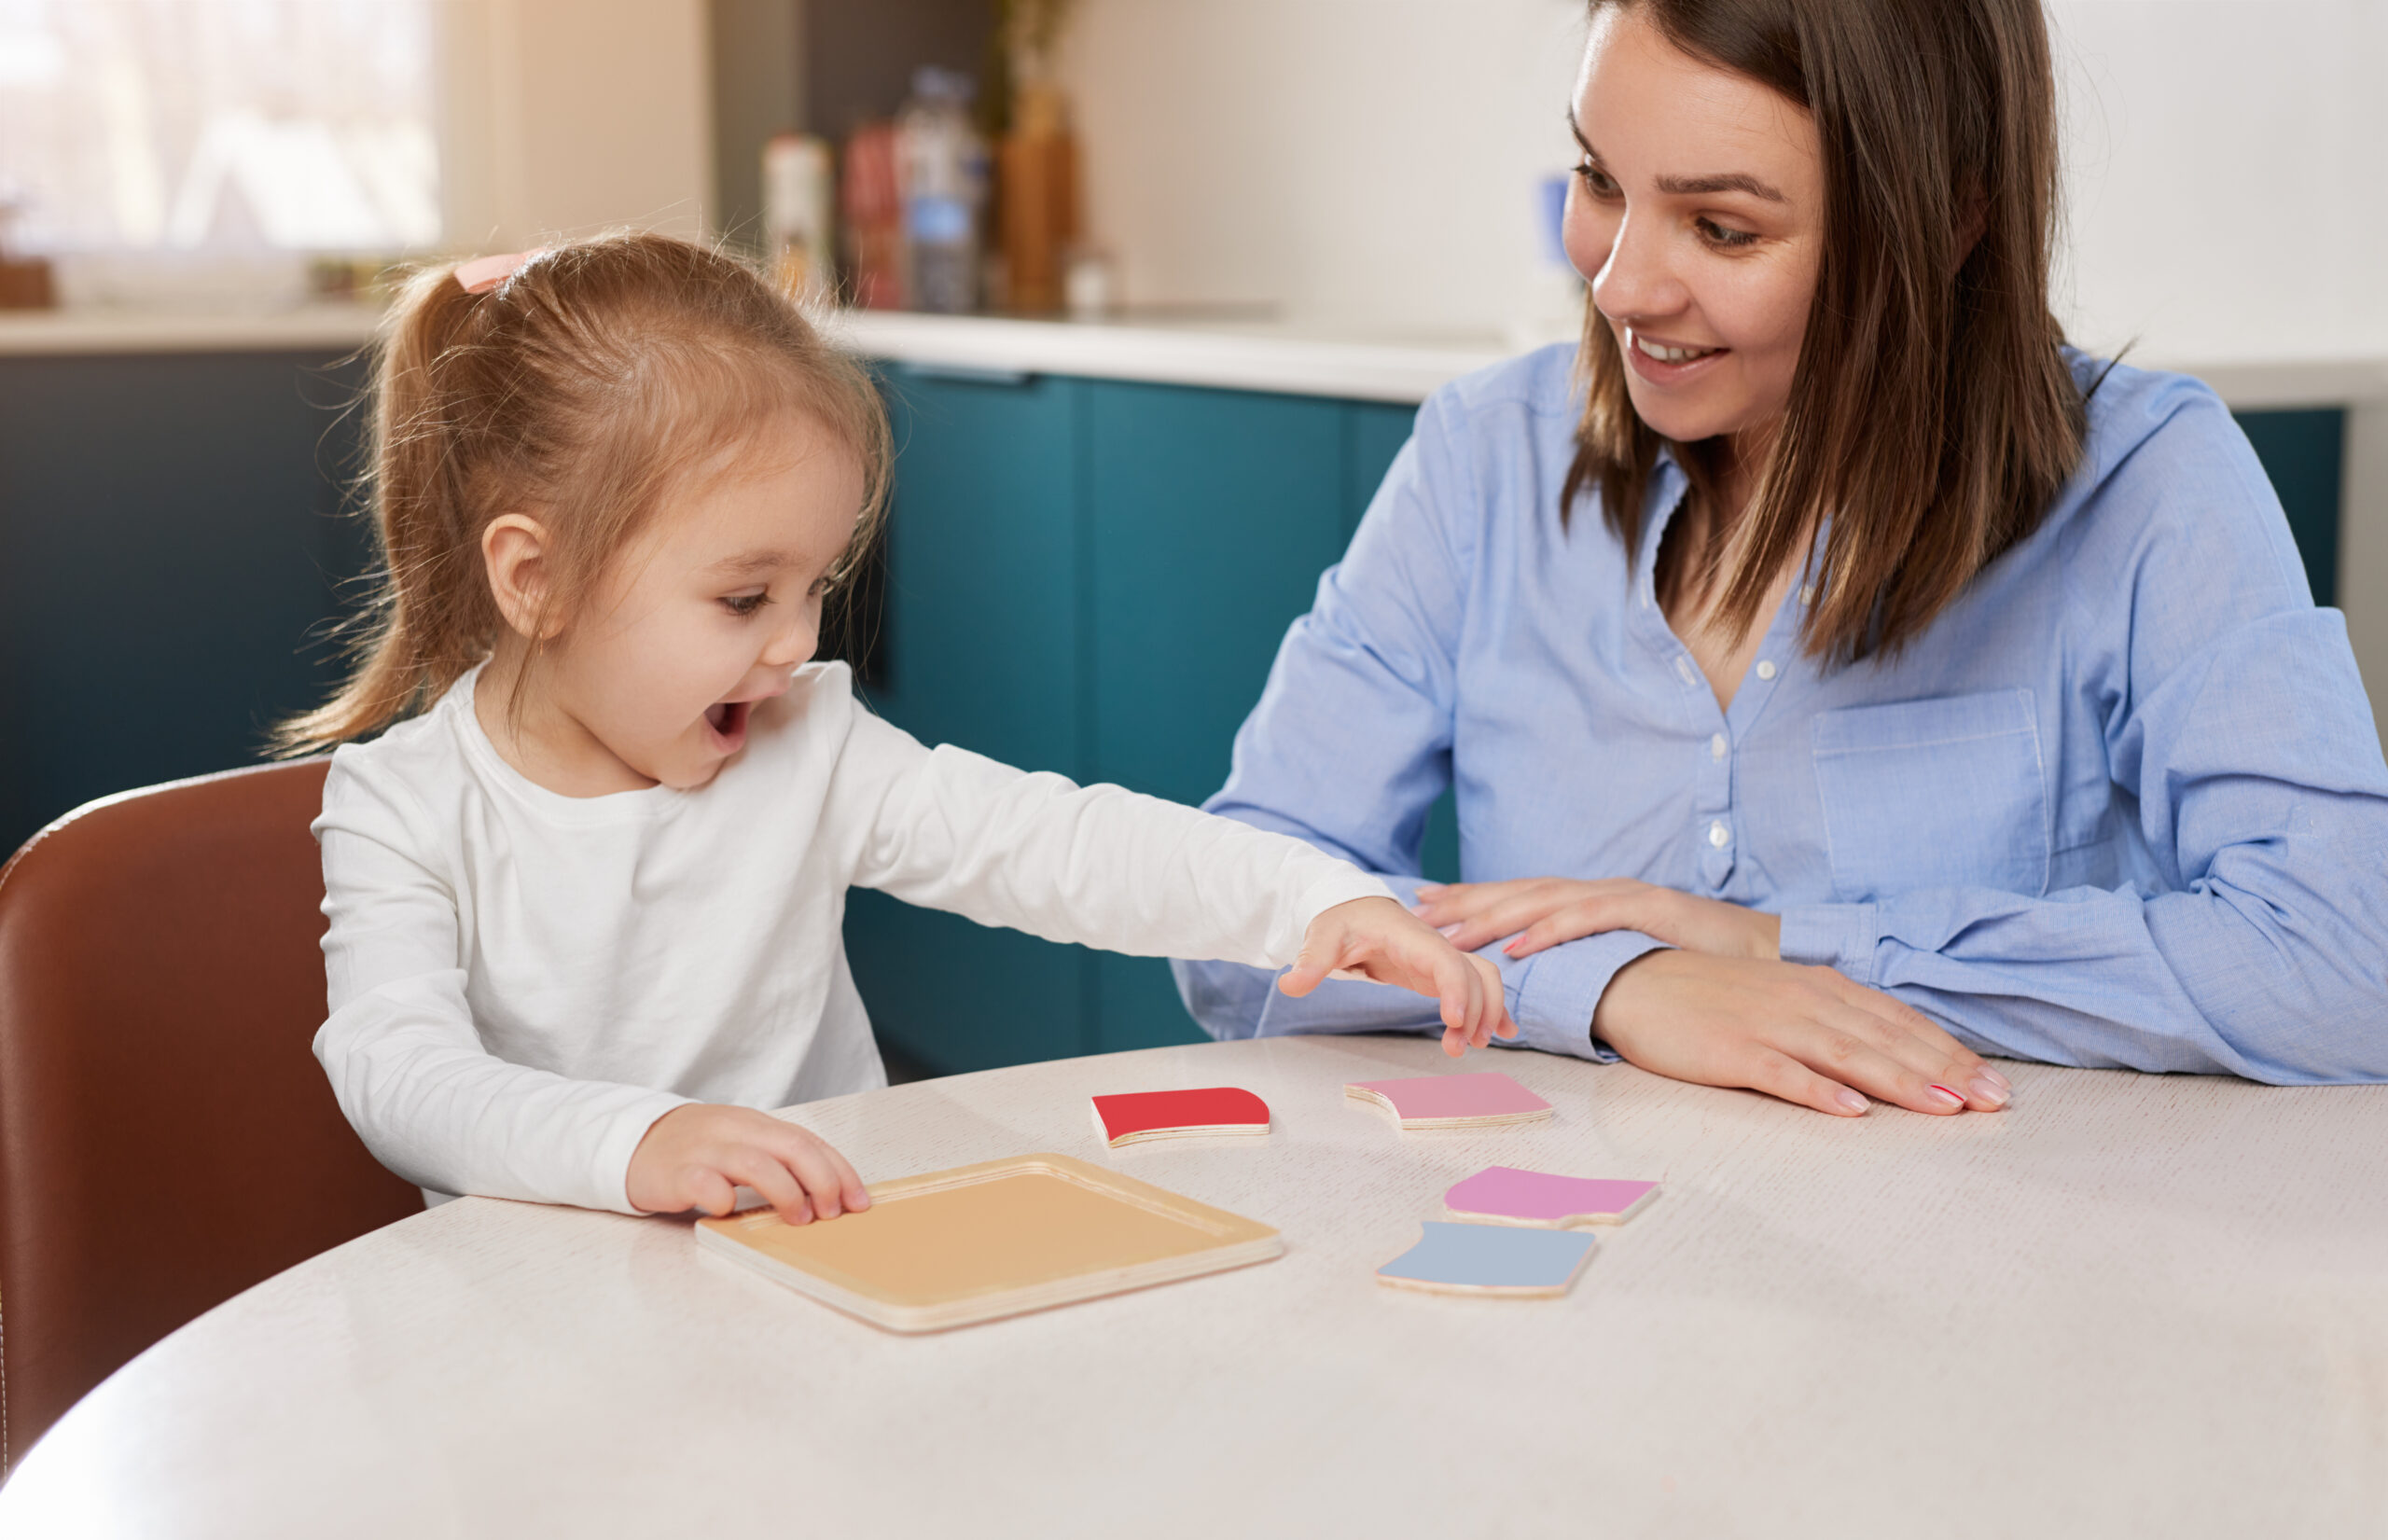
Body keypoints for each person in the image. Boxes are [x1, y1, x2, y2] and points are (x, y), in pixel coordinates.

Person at [1173, 0, 2388, 1117]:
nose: (1620, 283)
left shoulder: (2143, 483)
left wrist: (1773, 945)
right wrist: (1618, 986)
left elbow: (2345, 963)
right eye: (1600, 179)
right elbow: (1234, 928)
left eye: (1721, 227)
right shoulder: (1484, 459)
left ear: (1948, 217)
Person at [286, 234, 1510, 1226]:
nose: (797, 645)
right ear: (533, 579)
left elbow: (1050, 843)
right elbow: (401, 1077)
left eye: (820, 587)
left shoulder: (802, 741)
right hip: (546, 1317)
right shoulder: (402, 809)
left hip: (822, 1274)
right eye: (742, 598)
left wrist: (1310, 900)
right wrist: (640, 1142)